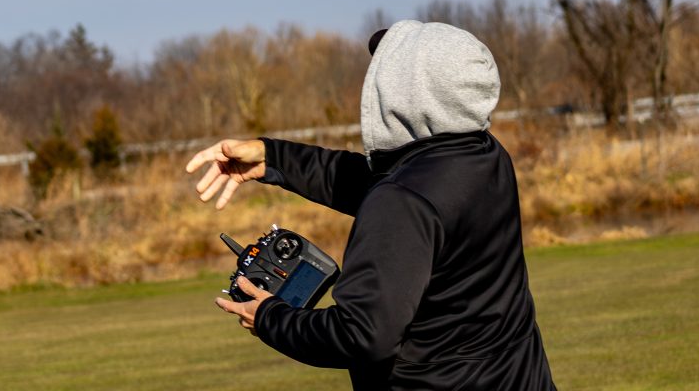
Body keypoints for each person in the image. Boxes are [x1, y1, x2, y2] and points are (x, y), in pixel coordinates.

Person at [186, 20, 555, 390]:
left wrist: (269, 317)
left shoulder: (402, 200)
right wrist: (274, 157)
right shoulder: (486, 156)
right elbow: (379, 184)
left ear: (410, 93)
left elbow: (361, 335)